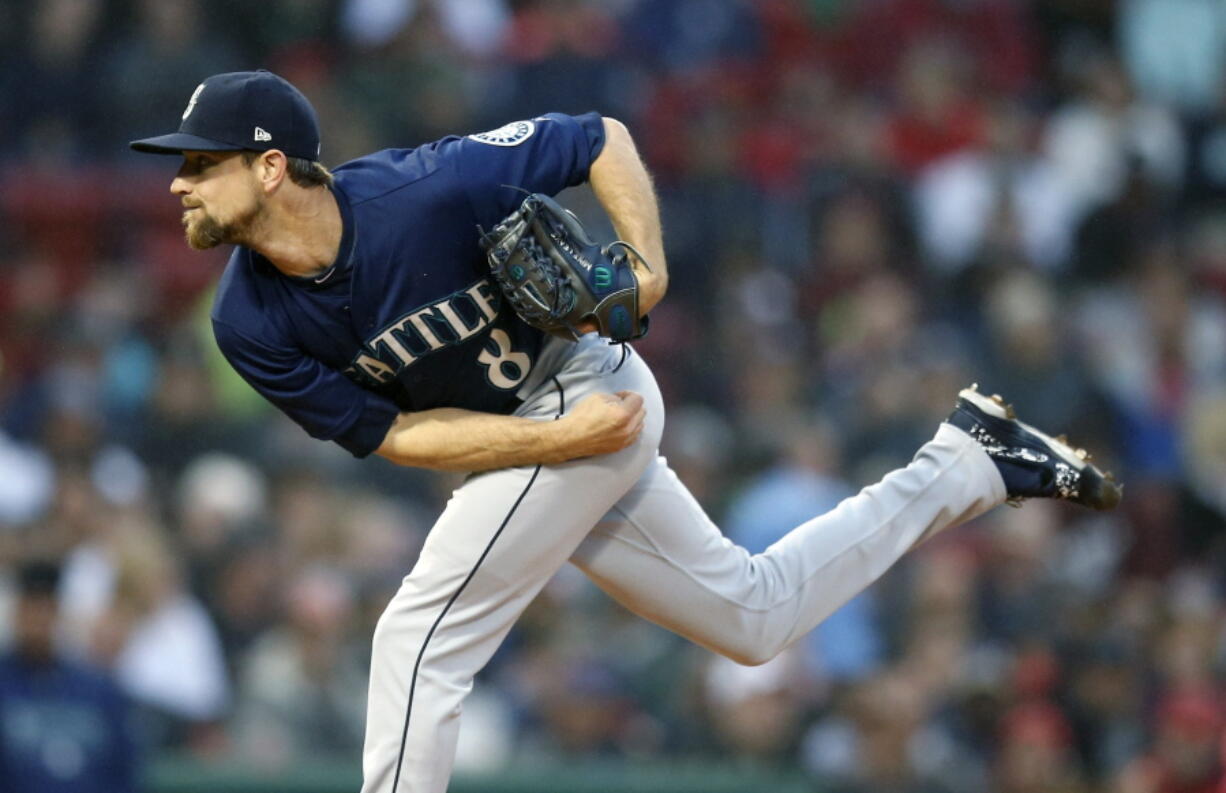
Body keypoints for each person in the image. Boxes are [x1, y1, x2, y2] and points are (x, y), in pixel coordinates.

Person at [130, 70, 1121, 793]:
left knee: (416, 639)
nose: (178, 182)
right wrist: (556, 448)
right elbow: (397, 438)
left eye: (199, 163)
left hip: (582, 380)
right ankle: (965, 464)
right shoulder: (245, 321)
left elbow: (597, 136)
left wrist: (644, 266)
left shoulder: (419, 190)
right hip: (541, 436)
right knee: (751, 616)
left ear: (270, 167)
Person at [0, 560, 138, 793]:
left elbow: (123, 771)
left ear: (59, 612)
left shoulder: (99, 689)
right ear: (17, 613)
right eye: (31, 608)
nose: (38, 620)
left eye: (47, 608)